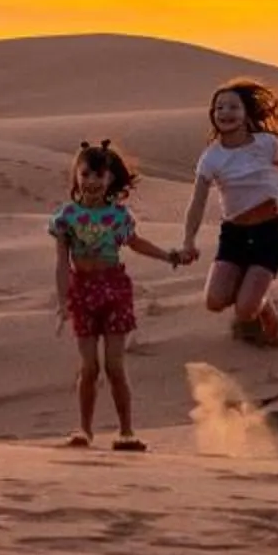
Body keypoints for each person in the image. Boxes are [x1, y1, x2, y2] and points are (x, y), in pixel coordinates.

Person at [48, 141, 178, 451]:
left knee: (115, 365)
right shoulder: (66, 216)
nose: (91, 181)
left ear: (110, 179)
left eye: (99, 175)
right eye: (86, 174)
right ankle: (84, 430)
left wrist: (167, 255)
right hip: (82, 290)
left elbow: (136, 243)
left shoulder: (119, 216)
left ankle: (127, 431)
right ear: (76, 176)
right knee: (89, 366)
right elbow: (61, 262)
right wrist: (63, 300)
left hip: (114, 287)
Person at [171, 79, 278, 346]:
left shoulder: (266, 144)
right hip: (234, 235)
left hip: (267, 234)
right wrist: (188, 240)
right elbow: (198, 201)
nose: (225, 112)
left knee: (245, 311)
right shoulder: (211, 157)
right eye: (219, 108)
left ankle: (263, 305)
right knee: (214, 302)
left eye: (233, 107)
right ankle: (259, 296)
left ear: (246, 113)